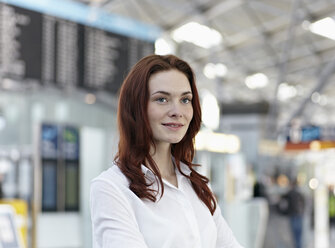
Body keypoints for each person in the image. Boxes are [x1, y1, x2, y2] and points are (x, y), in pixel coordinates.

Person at [90, 54, 243, 248]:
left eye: (185, 100)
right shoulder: (111, 188)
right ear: (136, 107)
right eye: (162, 99)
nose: (177, 111)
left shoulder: (196, 184)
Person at [281, 179, 305, 248]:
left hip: (294, 215)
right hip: (299, 215)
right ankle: (299, 246)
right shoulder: (299, 193)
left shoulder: (290, 193)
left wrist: (284, 213)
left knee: (295, 234)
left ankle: (298, 246)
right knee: (299, 234)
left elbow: (282, 199)